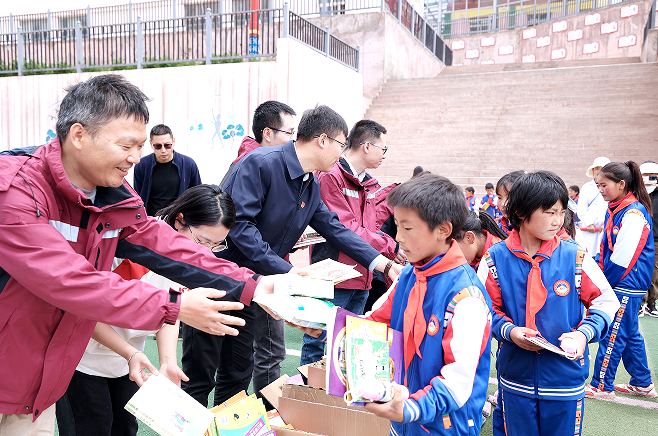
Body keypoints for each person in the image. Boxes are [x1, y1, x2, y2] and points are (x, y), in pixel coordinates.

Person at [0, 74, 277, 434]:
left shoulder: (111, 195)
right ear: (79, 135)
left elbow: (163, 243)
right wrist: (173, 306)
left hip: (35, 390)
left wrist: (252, 285)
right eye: (126, 145)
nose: (136, 157)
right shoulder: (16, 191)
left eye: (140, 145)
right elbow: (70, 281)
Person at [182, 105, 402, 407]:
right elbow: (240, 226)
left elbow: (335, 228)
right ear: (322, 140)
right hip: (218, 280)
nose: (342, 154)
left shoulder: (310, 183)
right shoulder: (260, 163)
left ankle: (226, 426)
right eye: (341, 145)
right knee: (199, 376)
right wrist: (285, 271)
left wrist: (383, 264)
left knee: (237, 374)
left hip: (254, 289)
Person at [56, 184, 236, 436]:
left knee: (125, 429)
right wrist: (129, 353)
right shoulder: (131, 245)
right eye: (203, 241)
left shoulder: (186, 260)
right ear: (179, 221)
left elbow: (173, 310)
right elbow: (85, 310)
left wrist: (168, 362)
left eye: (216, 245)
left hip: (128, 361)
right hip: (82, 358)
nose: (205, 253)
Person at [477, 171, 619, 436]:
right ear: (521, 211)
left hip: (565, 379)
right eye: (550, 212)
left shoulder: (574, 256)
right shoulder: (494, 259)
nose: (558, 220)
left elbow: (605, 302)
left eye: (561, 212)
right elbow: (482, 310)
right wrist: (509, 331)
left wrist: (582, 334)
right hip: (515, 379)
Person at [358, 173, 493, 435]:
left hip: (443, 426)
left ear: (443, 230)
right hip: (403, 418)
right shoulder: (411, 274)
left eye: (407, 228)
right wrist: (325, 326)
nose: (398, 237)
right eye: (397, 226)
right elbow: (375, 322)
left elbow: (457, 382)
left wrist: (411, 408)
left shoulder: (466, 297)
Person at [300, 119, 405, 366]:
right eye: (383, 148)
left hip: (363, 276)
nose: (385, 155)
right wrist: (390, 248)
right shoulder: (331, 176)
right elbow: (347, 228)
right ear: (367, 146)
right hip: (335, 277)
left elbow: (369, 228)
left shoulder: (369, 184)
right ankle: (306, 389)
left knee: (347, 346)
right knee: (318, 342)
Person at [586, 161, 657, 399]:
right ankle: (642, 382)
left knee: (613, 335)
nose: (600, 190)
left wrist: (603, 285)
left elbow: (622, 260)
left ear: (621, 184)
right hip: (624, 282)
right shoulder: (617, 208)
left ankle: (601, 385)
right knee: (630, 333)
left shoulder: (633, 213)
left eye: (604, 185)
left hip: (626, 283)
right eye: (597, 185)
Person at [219, 101, 297, 186]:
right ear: (268, 134)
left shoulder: (257, 159)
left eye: (293, 133)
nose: (292, 140)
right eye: (289, 133)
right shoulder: (250, 166)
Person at [133, 124, 202, 216]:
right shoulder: (141, 165)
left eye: (167, 145)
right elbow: (138, 197)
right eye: (158, 146)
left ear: (173, 142)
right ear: (151, 144)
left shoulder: (188, 164)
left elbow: (198, 196)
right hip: (151, 220)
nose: (163, 150)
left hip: (179, 219)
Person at [578, 156, 610, 257]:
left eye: (602, 168)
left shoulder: (612, 187)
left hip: (606, 229)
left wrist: (607, 223)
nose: (599, 171)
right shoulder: (586, 187)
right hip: (589, 230)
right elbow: (581, 209)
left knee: (604, 254)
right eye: (597, 168)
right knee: (589, 256)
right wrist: (589, 223)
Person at [639, 161, 658, 317]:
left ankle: (651, 303)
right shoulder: (636, 193)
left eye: (653, 175)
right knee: (639, 270)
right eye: (646, 175)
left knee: (655, 273)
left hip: (656, 238)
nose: (649, 178)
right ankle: (639, 303)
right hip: (639, 238)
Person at [495, 170, 525, 236]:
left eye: (509, 198)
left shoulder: (535, 232)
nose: (503, 204)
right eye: (499, 198)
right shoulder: (496, 232)